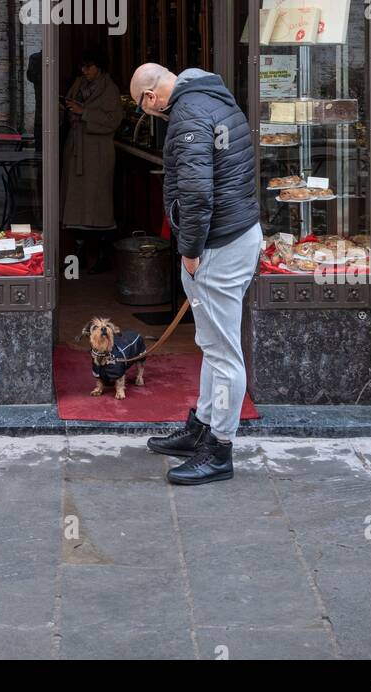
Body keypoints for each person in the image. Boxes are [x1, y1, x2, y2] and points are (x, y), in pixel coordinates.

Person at [129, 62, 262, 485]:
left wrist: (189, 251)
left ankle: (219, 450)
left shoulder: (186, 114)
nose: (149, 114)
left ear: (150, 98)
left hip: (218, 244)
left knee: (223, 353)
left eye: (142, 108)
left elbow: (197, 191)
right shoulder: (214, 97)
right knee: (211, 342)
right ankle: (201, 427)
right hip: (237, 233)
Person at [61, 51, 122, 273]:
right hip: (77, 150)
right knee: (76, 205)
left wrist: (84, 112)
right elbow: (70, 110)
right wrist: (68, 109)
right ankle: (78, 254)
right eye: (82, 67)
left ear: (99, 67)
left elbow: (113, 120)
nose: (84, 72)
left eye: (89, 67)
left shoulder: (110, 89)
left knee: (98, 204)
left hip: (97, 153)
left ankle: (103, 255)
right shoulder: (78, 84)